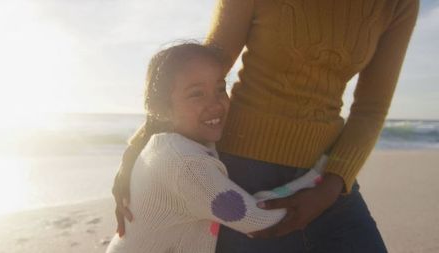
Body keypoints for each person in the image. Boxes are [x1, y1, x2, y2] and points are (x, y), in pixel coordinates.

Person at [113, 0, 419, 252]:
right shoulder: (191, 168)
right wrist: (137, 153)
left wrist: (333, 183)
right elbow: (200, 72)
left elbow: (371, 107)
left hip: (329, 175)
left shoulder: (399, 5)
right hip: (240, 172)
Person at [105, 43, 326, 253]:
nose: (216, 104)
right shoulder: (186, 164)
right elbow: (258, 219)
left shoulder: (164, 145)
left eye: (221, 89)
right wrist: (317, 177)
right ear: (162, 108)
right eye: (196, 94)